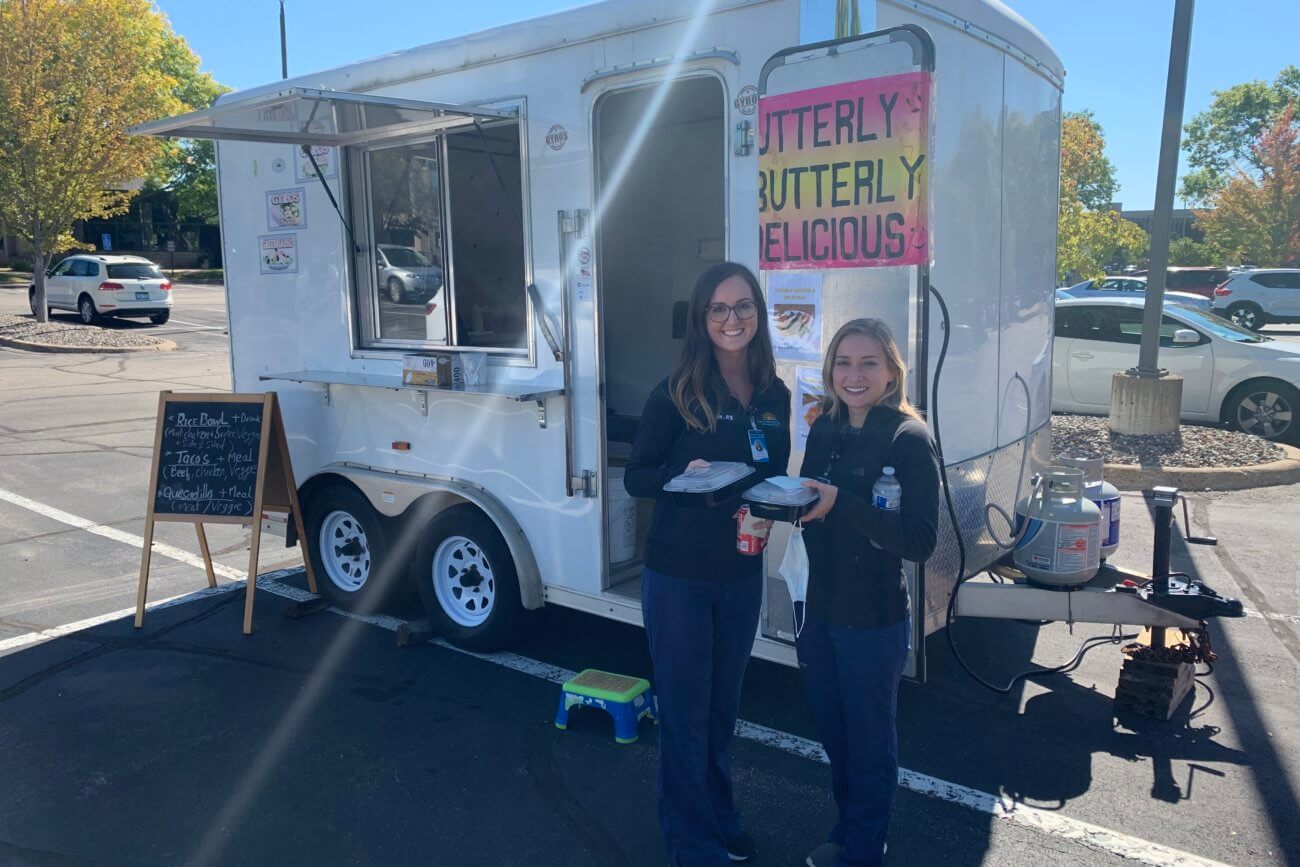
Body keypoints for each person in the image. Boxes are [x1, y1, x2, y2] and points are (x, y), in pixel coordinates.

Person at [624, 262, 791, 866]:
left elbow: (771, 474)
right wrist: (679, 477)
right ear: (701, 319)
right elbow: (637, 476)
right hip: (678, 579)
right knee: (686, 718)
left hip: (740, 573)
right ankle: (692, 847)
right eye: (718, 309)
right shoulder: (675, 394)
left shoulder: (774, 393)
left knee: (722, 715)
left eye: (743, 306)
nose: (731, 319)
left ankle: (721, 817)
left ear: (758, 315)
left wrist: (778, 505)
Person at [796, 319, 940, 867]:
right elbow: (808, 501)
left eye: (867, 363)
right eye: (843, 363)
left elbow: (920, 541)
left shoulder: (908, 439)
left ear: (890, 372)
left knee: (869, 744)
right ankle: (850, 830)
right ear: (830, 371)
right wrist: (767, 508)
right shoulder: (824, 427)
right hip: (818, 611)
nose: (853, 375)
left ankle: (862, 852)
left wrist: (843, 505)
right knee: (835, 736)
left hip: (873, 620)